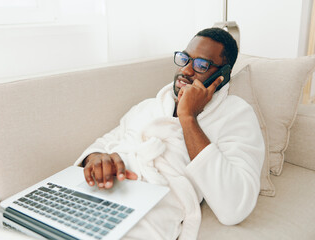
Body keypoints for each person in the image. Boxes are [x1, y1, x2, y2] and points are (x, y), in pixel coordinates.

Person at [74, 27, 265, 239]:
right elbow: (103, 143)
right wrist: (97, 158)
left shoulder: (236, 115)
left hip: (146, 214)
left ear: (223, 75)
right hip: (100, 192)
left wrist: (188, 118)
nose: (187, 70)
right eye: (185, 59)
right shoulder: (148, 106)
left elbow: (235, 208)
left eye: (201, 65)